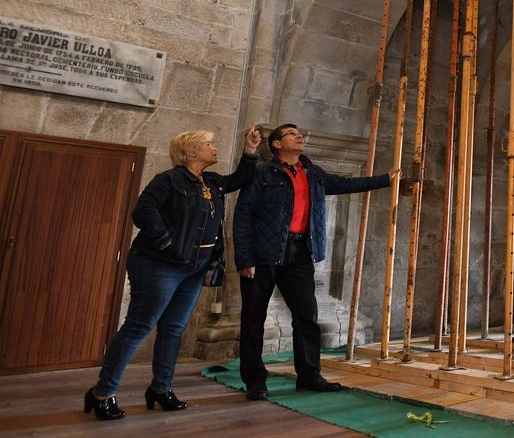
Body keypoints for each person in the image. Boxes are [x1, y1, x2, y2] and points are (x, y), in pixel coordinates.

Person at [85, 127, 262, 421]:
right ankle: (103, 392)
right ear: (191, 151)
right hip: (157, 264)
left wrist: (250, 150)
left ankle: (161, 388)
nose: (214, 149)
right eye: (208, 144)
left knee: (174, 328)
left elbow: (242, 178)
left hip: (194, 269)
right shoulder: (169, 180)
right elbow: (143, 211)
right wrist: (168, 243)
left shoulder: (211, 182)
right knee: (139, 326)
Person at [234, 123, 397, 400]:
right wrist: (244, 257)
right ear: (276, 144)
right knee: (253, 318)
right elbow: (243, 216)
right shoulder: (261, 172)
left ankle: (309, 375)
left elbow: (346, 184)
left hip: (299, 252)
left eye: (300, 134)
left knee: (307, 316)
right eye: (292, 134)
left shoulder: (313, 173)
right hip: (263, 254)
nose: (299, 137)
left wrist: (385, 179)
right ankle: (254, 380)